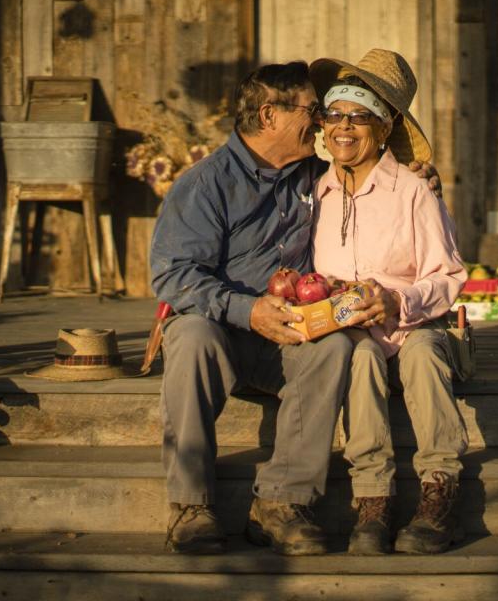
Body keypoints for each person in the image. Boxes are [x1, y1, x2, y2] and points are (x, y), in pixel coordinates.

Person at [150, 62, 350, 556]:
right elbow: (172, 275)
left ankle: (280, 505)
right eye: (312, 109)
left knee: (336, 344)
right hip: (220, 332)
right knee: (192, 336)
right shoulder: (206, 184)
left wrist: (413, 173)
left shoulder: (314, 173)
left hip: (285, 336)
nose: (322, 120)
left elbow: (370, 175)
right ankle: (189, 505)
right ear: (269, 115)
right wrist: (245, 310)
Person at [308, 49, 469, 555]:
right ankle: (373, 498)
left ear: (384, 127)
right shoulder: (318, 192)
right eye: (334, 115)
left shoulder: (414, 191)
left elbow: (449, 275)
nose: (343, 127)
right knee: (358, 357)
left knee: (421, 354)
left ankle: (438, 487)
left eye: (360, 117)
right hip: (352, 331)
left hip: (414, 323)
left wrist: (399, 301)